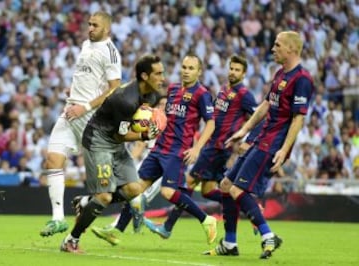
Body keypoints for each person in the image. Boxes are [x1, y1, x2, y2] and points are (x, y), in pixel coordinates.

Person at [91, 54, 218, 246]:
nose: (186, 71)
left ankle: (206, 220)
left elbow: (211, 123)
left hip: (177, 151)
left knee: (168, 192)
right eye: (184, 67)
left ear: (199, 72)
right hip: (159, 148)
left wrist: (197, 148)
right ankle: (116, 231)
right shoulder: (173, 89)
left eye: (191, 68)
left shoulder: (202, 94)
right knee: (134, 189)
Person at [209, 31, 315, 259]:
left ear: (291, 49)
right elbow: (265, 105)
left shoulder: (302, 79)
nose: (272, 48)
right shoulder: (280, 74)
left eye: (277, 45)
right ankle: (229, 243)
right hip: (260, 138)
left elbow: (298, 119)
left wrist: (284, 150)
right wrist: (243, 130)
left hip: (273, 144)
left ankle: (268, 235)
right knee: (226, 184)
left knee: (238, 190)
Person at [142, 55, 257, 241]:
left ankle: (168, 226)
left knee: (187, 182)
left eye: (237, 70)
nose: (233, 72)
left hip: (217, 147)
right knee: (208, 190)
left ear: (244, 74)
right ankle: (248, 205)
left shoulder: (244, 94)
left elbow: (258, 118)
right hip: (213, 145)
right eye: (231, 68)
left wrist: (248, 140)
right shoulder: (223, 90)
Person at [60, 54, 166, 253]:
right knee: (104, 197)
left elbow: (132, 125)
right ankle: (70, 240)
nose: (163, 78)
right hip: (99, 141)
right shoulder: (125, 100)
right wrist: (144, 134)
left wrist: (149, 125)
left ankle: (84, 202)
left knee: (135, 189)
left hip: (115, 142)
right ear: (144, 76)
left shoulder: (150, 96)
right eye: (158, 74)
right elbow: (121, 135)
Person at [40, 11, 122, 237]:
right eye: (89, 24)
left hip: (90, 117)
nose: (90, 28)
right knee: (53, 159)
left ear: (107, 29)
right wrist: (73, 92)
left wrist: (85, 106)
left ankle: (77, 231)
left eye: (95, 25)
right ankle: (57, 219)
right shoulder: (86, 44)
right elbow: (86, 77)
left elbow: (115, 88)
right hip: (71, 110)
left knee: (104, 187)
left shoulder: (111, 52)